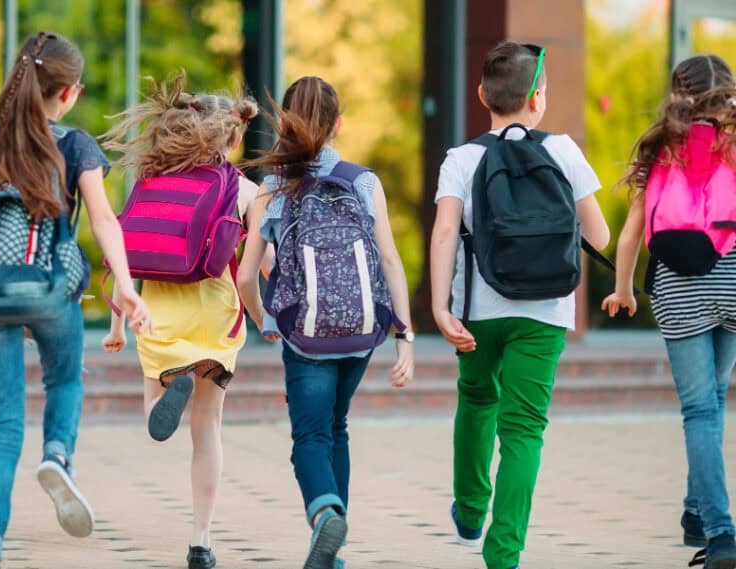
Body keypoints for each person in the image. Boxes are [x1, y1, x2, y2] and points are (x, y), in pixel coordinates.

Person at [0, 31, 150, 569]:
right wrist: (125, 284)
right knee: (65, 380)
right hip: (48, 290)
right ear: (68, 92)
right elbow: (102, 220)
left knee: (2, 426)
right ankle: (57, 455)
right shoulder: (74, 144)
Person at [430, 41, 610, 569]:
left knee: (477, 397)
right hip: (547, 310)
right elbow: (598, 234)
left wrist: (441, 309)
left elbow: (444, 231)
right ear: (538, 100)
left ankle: (469, 509)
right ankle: (503, 555)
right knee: (525, 429)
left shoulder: (463, 159)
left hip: (478, 309)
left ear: (482, 94)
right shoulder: (564, 151)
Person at [237, 76, 415, 569]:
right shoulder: (363, 180)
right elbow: (391, 262)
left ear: (287, 123)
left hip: (306, 335)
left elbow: (248, 274)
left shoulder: (271, 188)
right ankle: (334, 547)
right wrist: (406, 339)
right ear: (339, 124)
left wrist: (265, 321)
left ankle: (324, 515)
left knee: (310, 436)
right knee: (337, 427)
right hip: (362, 335)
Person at [100, 75, 260, 569]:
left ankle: (162, 400)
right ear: (231, 136)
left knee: (154, 408)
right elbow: (261, 265)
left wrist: (115, 326)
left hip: (157, 308)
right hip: (216, 308)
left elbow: (123, 252)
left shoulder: (149, 182)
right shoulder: (246, 190)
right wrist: (268, 319)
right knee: (207, 428)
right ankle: (201, 541)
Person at [602, 55, 736, 569]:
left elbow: (635, 229)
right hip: (732, 274)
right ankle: (696, 514)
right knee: (715, 400)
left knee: (700, 410)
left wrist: (624, 290)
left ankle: (720, 536)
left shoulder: (660, 147)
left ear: (676, 94)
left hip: (679, 285)